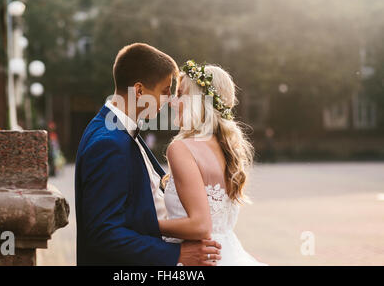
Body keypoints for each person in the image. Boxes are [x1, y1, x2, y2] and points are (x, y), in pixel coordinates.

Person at [75, 44, 221, 266]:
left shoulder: (117, 131)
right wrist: (177, 254)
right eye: (165, 91)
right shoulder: (108, 143)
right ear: (140, 91)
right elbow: (103, 233)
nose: (170, 101)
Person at [159, 61, 266, 266]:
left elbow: (200, 225)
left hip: (198, 258)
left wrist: (145, 224)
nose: (172, 102)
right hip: (228, 254)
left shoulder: (181, 148)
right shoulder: (228, 149)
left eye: (180, 94)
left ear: (198, 101)